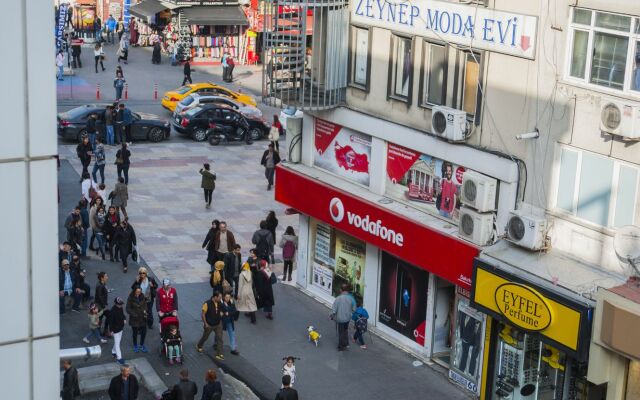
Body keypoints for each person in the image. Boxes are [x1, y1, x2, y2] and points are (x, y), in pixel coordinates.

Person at [196, 292, 225, 360]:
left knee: (219, 338)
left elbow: (222, 309)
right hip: (209, 324)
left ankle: (219, 354)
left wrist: (221, 313)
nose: (221, 299)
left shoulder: (220, 302)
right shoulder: (207, 304)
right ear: (215, 297)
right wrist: (205, 323)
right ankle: (199, 345)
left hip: (218, 324)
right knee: (205, 337)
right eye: (219, 297)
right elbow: (203, 314)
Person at [331, 284, 356, 351]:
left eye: (340, 289)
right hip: (347, 318)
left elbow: (334, 309)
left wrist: (332, 315)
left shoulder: (338, 298)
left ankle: (341, 346)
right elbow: (354, 309)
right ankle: (346, 343)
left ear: (341, 290)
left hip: (340, 318)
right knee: (345, 330)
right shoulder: (351, 298)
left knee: (341, 332)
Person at [127, 285, 148, 353]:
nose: (138, 293)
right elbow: (128, 309)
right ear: (134, 291)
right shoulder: (131, 297)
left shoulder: (142, 296)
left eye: (139, 292)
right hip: (135, 319)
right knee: (135, 333)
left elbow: (145, 305)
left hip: (142, 317)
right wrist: (134, 314)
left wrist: (145, 310)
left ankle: (142, 345)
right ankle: (135, 345)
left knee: (144, 332)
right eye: (137, 292)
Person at [109, 297, 127, 364]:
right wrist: (111, 330)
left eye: (121, 304)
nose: (121, 305)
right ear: (116, 304)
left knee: (118, 342)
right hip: (115, 330)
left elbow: (122, 315)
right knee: (117, 344)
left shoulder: (120, 308)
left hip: (120, 328)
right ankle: (119, 358)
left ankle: (113, 352)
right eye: (120, 304)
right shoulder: (112, 311)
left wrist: (124, 318)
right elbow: (110, 322)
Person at [95, 271, 111, 336]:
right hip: (100, 306)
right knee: (100, 318)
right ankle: (100, 331)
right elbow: (100, 297)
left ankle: (105, 330)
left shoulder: (102, 283)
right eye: (106, 276)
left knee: (108, 316)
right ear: (102, 278)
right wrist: (104, 305)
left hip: (101, 305)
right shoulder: (100, 285)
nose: (107, 277)